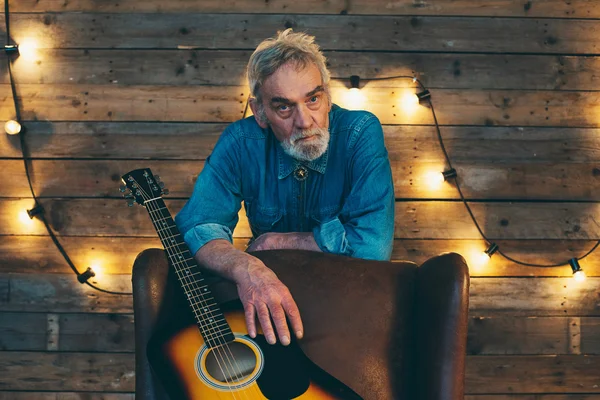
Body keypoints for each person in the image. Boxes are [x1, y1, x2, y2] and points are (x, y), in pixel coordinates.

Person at [175, 28, 394, 348]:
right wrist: (246, 268)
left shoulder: (360, 132)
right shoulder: (239, 142)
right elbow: (197, 227)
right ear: (260, 112)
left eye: (313, 99)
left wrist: (277, 241)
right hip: (268, 306)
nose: (305, 121)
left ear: (328, 96)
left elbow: (372, 247)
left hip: (350, 304)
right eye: (284, 107)